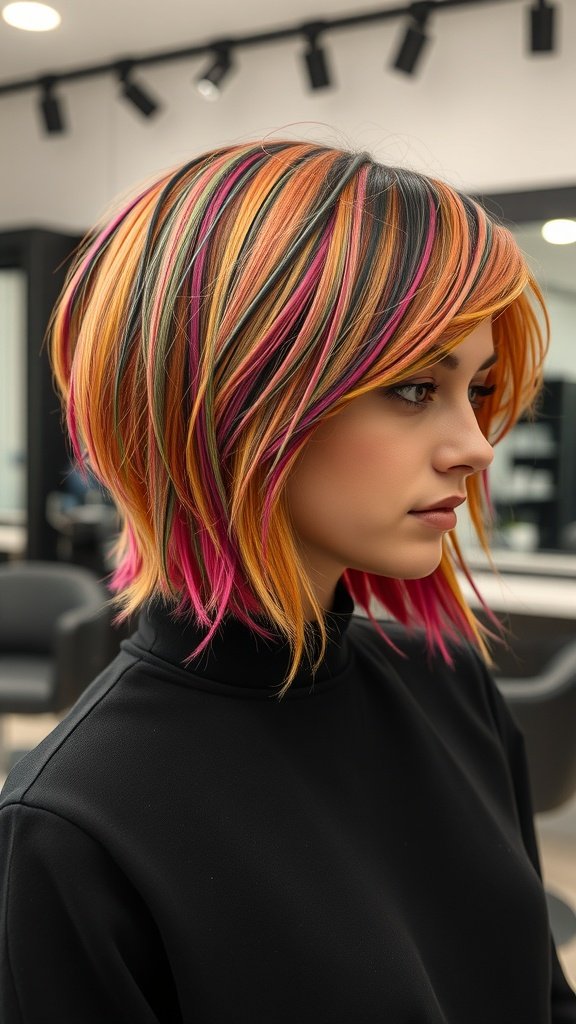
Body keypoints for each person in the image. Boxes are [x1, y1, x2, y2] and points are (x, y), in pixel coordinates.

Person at [1, 140, 575, 1023]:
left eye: (481, 389)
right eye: (418, 388)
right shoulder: (74, 826)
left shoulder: (451, 686)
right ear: (236, 395)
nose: (476, 446)